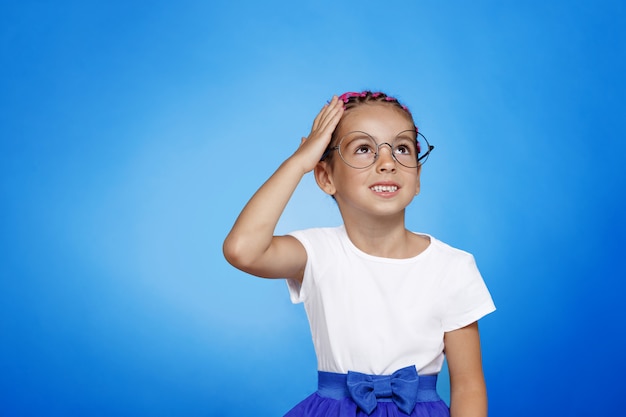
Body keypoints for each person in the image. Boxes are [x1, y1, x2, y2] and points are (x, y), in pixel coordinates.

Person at [223, 91, 496, 417]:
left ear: (418, 177)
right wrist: (299, 162)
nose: (387, 162)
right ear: (325, 177)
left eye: (402, 149)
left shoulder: (453, 267)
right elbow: (242, 250)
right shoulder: (317, 253)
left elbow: (469, 385)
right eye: (364, 148)